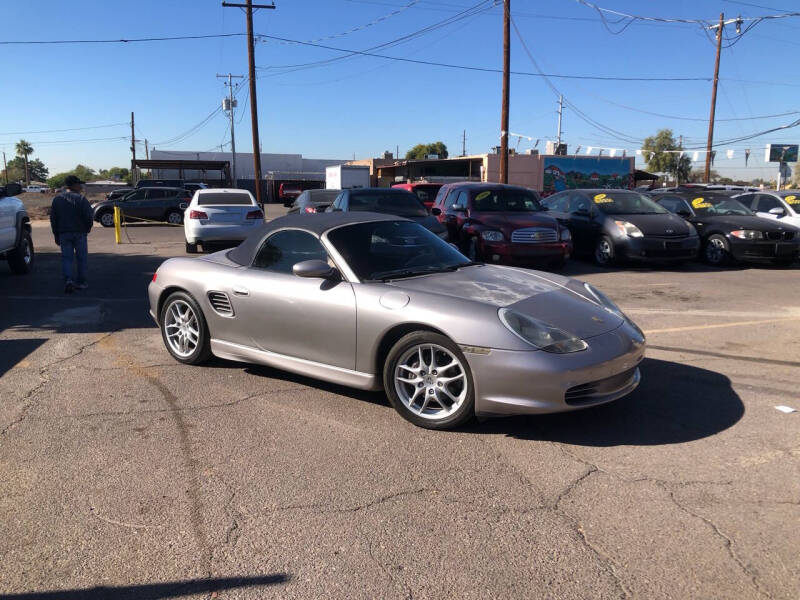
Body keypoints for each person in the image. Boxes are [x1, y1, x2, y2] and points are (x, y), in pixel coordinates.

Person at [50, 175, 93, 293]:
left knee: (66, 258)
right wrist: (88, 227)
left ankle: (68, 280)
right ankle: (82, 282)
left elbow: (53, 219)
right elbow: (88, 216)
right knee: (81, 258)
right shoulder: (81, 199)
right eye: (79, 184)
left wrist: (55, 234)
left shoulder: (57, 199)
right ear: (74, 185)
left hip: (64, 233)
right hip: (79, 232)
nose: (81, 186)